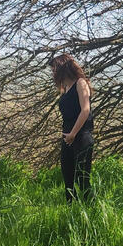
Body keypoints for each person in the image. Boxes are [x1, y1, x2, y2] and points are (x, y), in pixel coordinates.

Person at [49, 53, 94, 202]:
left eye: (54, 69)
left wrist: (73, 133)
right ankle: (71, 211)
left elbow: (85, 110)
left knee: (82, 178)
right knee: (68, 178)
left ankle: (91, 209)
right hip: (68, 138)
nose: (52, 73)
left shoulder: (80, 83)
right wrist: (68, 136)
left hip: (81, 136)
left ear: (62, 68)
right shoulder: (66, 88)